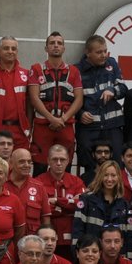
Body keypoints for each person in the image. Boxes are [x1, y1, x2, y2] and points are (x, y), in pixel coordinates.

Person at [27, 31, 83, 172]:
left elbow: (79, 99)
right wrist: (51, 118)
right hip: (42, 126)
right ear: (46, 48)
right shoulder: (36, 69)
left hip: (66, 125)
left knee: (65, 167)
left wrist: (63, 119)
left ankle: (64, 194)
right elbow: (34, 98)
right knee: (39, 167)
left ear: (64, 48)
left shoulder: (74, 71)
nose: (55, 46)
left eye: (59, 43)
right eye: (52, 43)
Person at [75, 34, 124, 175]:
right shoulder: (76, 71)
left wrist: (113, 90)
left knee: (116, 166)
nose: (103, 55)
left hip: (112, 126)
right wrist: (80, 114)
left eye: (105, 51)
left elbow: (123, 88)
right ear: (88, 53)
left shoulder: (112, 64)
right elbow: (71, 100)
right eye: (99, 52)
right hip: (89, 128)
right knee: (89, 166)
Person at [74, 159, 132, 260]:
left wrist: (129, 262)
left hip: (116, 260)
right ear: (100, 176)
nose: (109, 179)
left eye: (113, 175)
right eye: (106, 175)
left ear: (119, 177)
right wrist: (77, 257)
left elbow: (129, 237)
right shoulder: (86, 200)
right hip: (91, 257)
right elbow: (77, 231)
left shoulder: (125, 205)